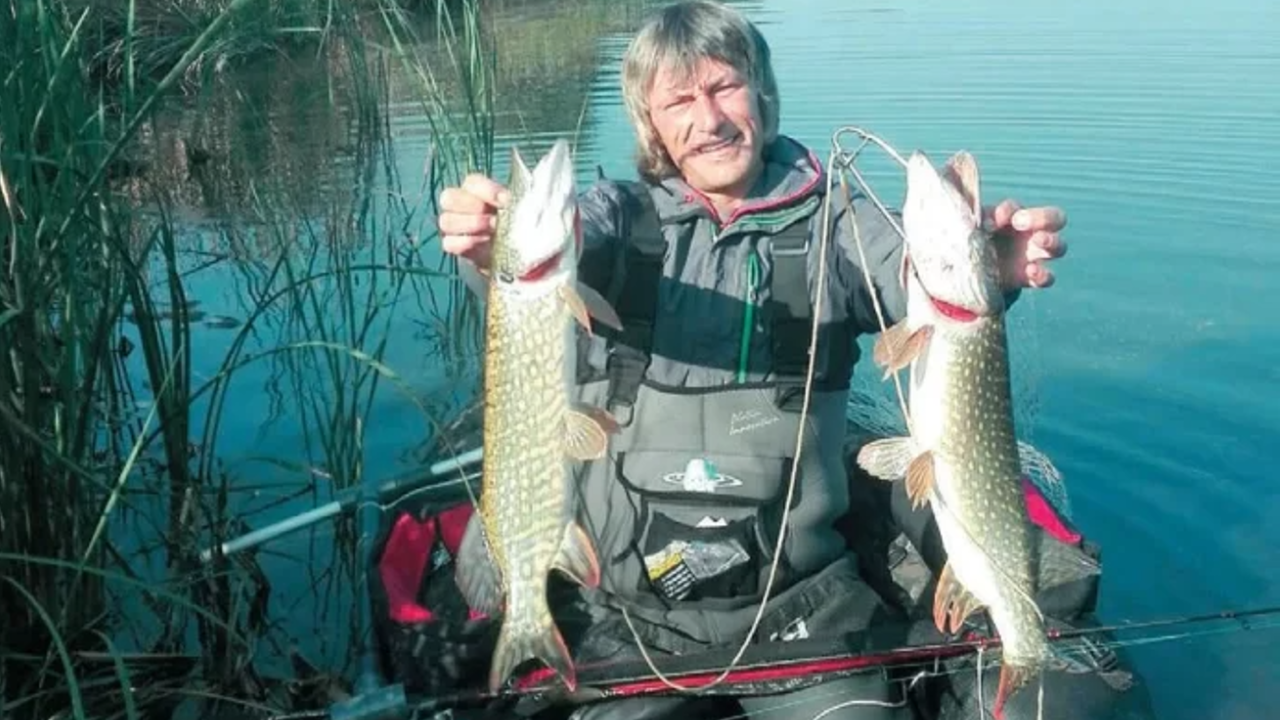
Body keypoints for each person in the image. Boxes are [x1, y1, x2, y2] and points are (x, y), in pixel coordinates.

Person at [435, 2, 1067, 718]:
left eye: (724, 86)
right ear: (651, 124)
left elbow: (914, 277)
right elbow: (554, 256)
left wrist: (991, 272)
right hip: (629, 618)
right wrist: (486, 253)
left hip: (804, 610)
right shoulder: (614, 216)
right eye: (679, 100)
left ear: (762, 95)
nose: (708, 118)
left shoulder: (839, 222)